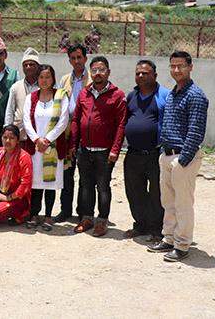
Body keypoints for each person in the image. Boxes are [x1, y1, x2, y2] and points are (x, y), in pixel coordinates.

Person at [148, 51, 208, 262]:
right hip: (167, 155)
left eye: (180, 66)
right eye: (172, 66)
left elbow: (196, 131)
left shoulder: (196, 95)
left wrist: (183, 161)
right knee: (168, 202)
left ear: (190, 67)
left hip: (183, 157)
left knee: (183, 203)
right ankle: (169, 238)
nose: (176, 70)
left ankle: (182, 244)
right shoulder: (174, 93)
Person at [70, 56, 127, 237]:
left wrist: (115, 149)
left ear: (108, 72)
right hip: (84, 150)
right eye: (94, 70)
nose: (97, 73)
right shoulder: (84, 94)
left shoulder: (117, 95)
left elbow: (121, 124)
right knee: (86, 185)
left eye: (101, 69)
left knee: (103, 187)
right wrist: (73, 144)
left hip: (105, 153)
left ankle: (102, 221)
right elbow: (76, 120)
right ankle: (87, 218)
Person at [123, 60, 169, 241]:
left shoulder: (164, 95)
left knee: (157, 193)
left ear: (155, 76)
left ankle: (156, 228)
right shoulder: (131, 96)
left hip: (155, 154)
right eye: (138, 73)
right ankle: (140, 224)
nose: (141, 76)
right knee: (135, 191)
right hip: (133, 153)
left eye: (145, 73)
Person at [22, 64, 69, 231]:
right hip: (35, 148)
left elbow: (63, 121)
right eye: (41, 77)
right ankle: (34, 214)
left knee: (50, 183)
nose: (44, 80)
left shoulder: (61, 96)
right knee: (35, 183)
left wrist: (47, 140)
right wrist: (36, 140)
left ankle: (48, 216)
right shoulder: (31, 97)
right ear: (37, 79)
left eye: (47, 77)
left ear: (53, 78)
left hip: (53, 147)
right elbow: (26, 121)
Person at [55, 43, 91, 223]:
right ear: (69, 60)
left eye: (79, 57)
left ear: (85, 58)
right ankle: (65, 210)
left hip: (86, 134)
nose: (76, 61)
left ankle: (84, 212)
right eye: (73, 58)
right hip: (68, 134)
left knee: (85, 175)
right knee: (66, 175)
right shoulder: (64, 80)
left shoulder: (93, 79)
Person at [4, 47, 40, 146]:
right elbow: (10, 111)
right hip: (20, 137)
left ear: (38, 66)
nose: (28, 67)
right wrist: (7, 131)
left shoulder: (44, 86)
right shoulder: (16, 87)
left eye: (31, 64)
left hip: (39, 137)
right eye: (25, 65)